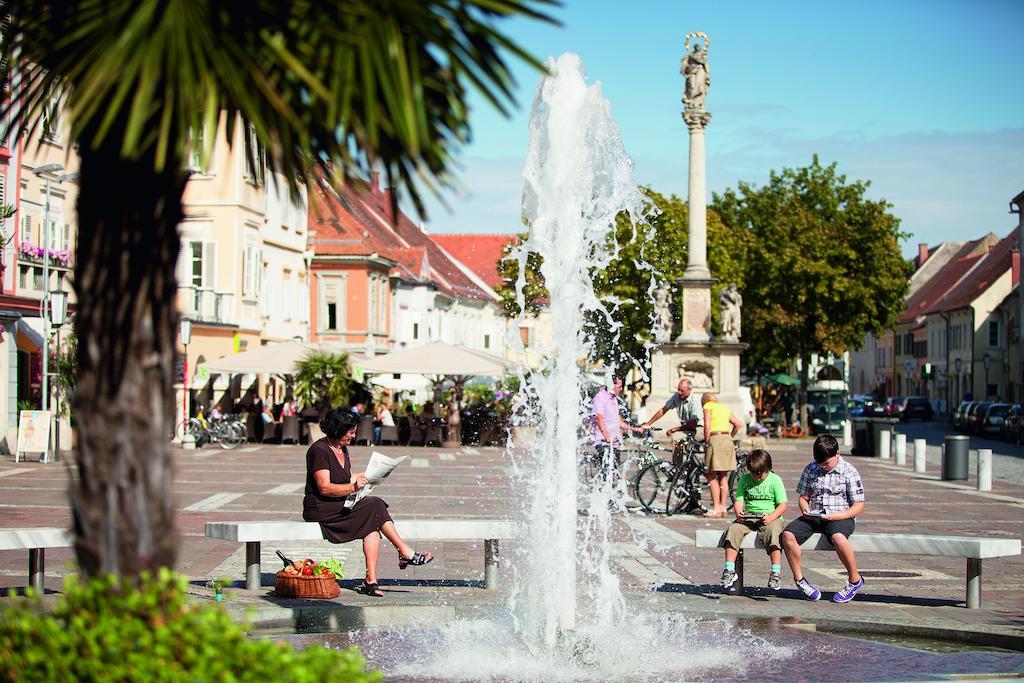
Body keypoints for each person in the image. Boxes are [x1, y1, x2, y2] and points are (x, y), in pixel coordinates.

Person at [303, 407, 433, 597]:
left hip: (338, 504)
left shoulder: (341, 448)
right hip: (322, 508)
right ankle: (404, 551)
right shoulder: (319, 450)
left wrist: (369, 477)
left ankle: (371, 581)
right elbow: (325, 487)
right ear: (338, 430)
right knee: (375, 505)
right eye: (351, 432)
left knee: (373, 520)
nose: (354, 436)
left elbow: (345, 477)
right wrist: (354, 487)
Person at [781, 434, 865, 603]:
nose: (823, 467)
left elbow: (859, 504)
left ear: (838, 454)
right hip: (816, 515)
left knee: (838, 538)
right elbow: (803, 497)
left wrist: (838, 516)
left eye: (827, 463)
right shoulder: (811, 469)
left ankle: (855, 580)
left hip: (841, 516)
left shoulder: (848, 471)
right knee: (787, 535)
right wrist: (805, 508)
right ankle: (800, 580)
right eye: (820, 463)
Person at [720, 449, 788, 591]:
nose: (756, 477)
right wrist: (739, 512)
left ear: (768, 469)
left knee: (774, 533)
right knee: (733, 530)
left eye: (760, 474)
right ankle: (729, 570)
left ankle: (775, 572)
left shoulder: (775, 480)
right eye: (753, 473)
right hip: (749, 516)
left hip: (770, 516)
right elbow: (739, 499)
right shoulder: (745, 479)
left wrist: (771, 517)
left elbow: (783, 505)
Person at [591, 375, 644, 508]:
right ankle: (600, 500)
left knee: (612, 471)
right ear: (611, 384)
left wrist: (633, 429)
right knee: (606, 471)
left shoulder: (614, 399)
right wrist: (607, 436)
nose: (620, 389)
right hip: (603, 441)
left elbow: (618, 421)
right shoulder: (600, 397)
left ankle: (607, 499)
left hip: (613, 442)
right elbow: (599, 418)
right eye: (619, 386)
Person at [701, 392, 744, 517]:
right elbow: (738, 424)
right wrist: (730, 436)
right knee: (724, 476)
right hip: (727, 439)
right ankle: (723, 507)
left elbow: (707, 426)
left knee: (711, 475)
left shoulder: (708, 406)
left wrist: (707, 441)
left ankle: (716, 507)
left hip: (715, 439)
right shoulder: (723, 407)